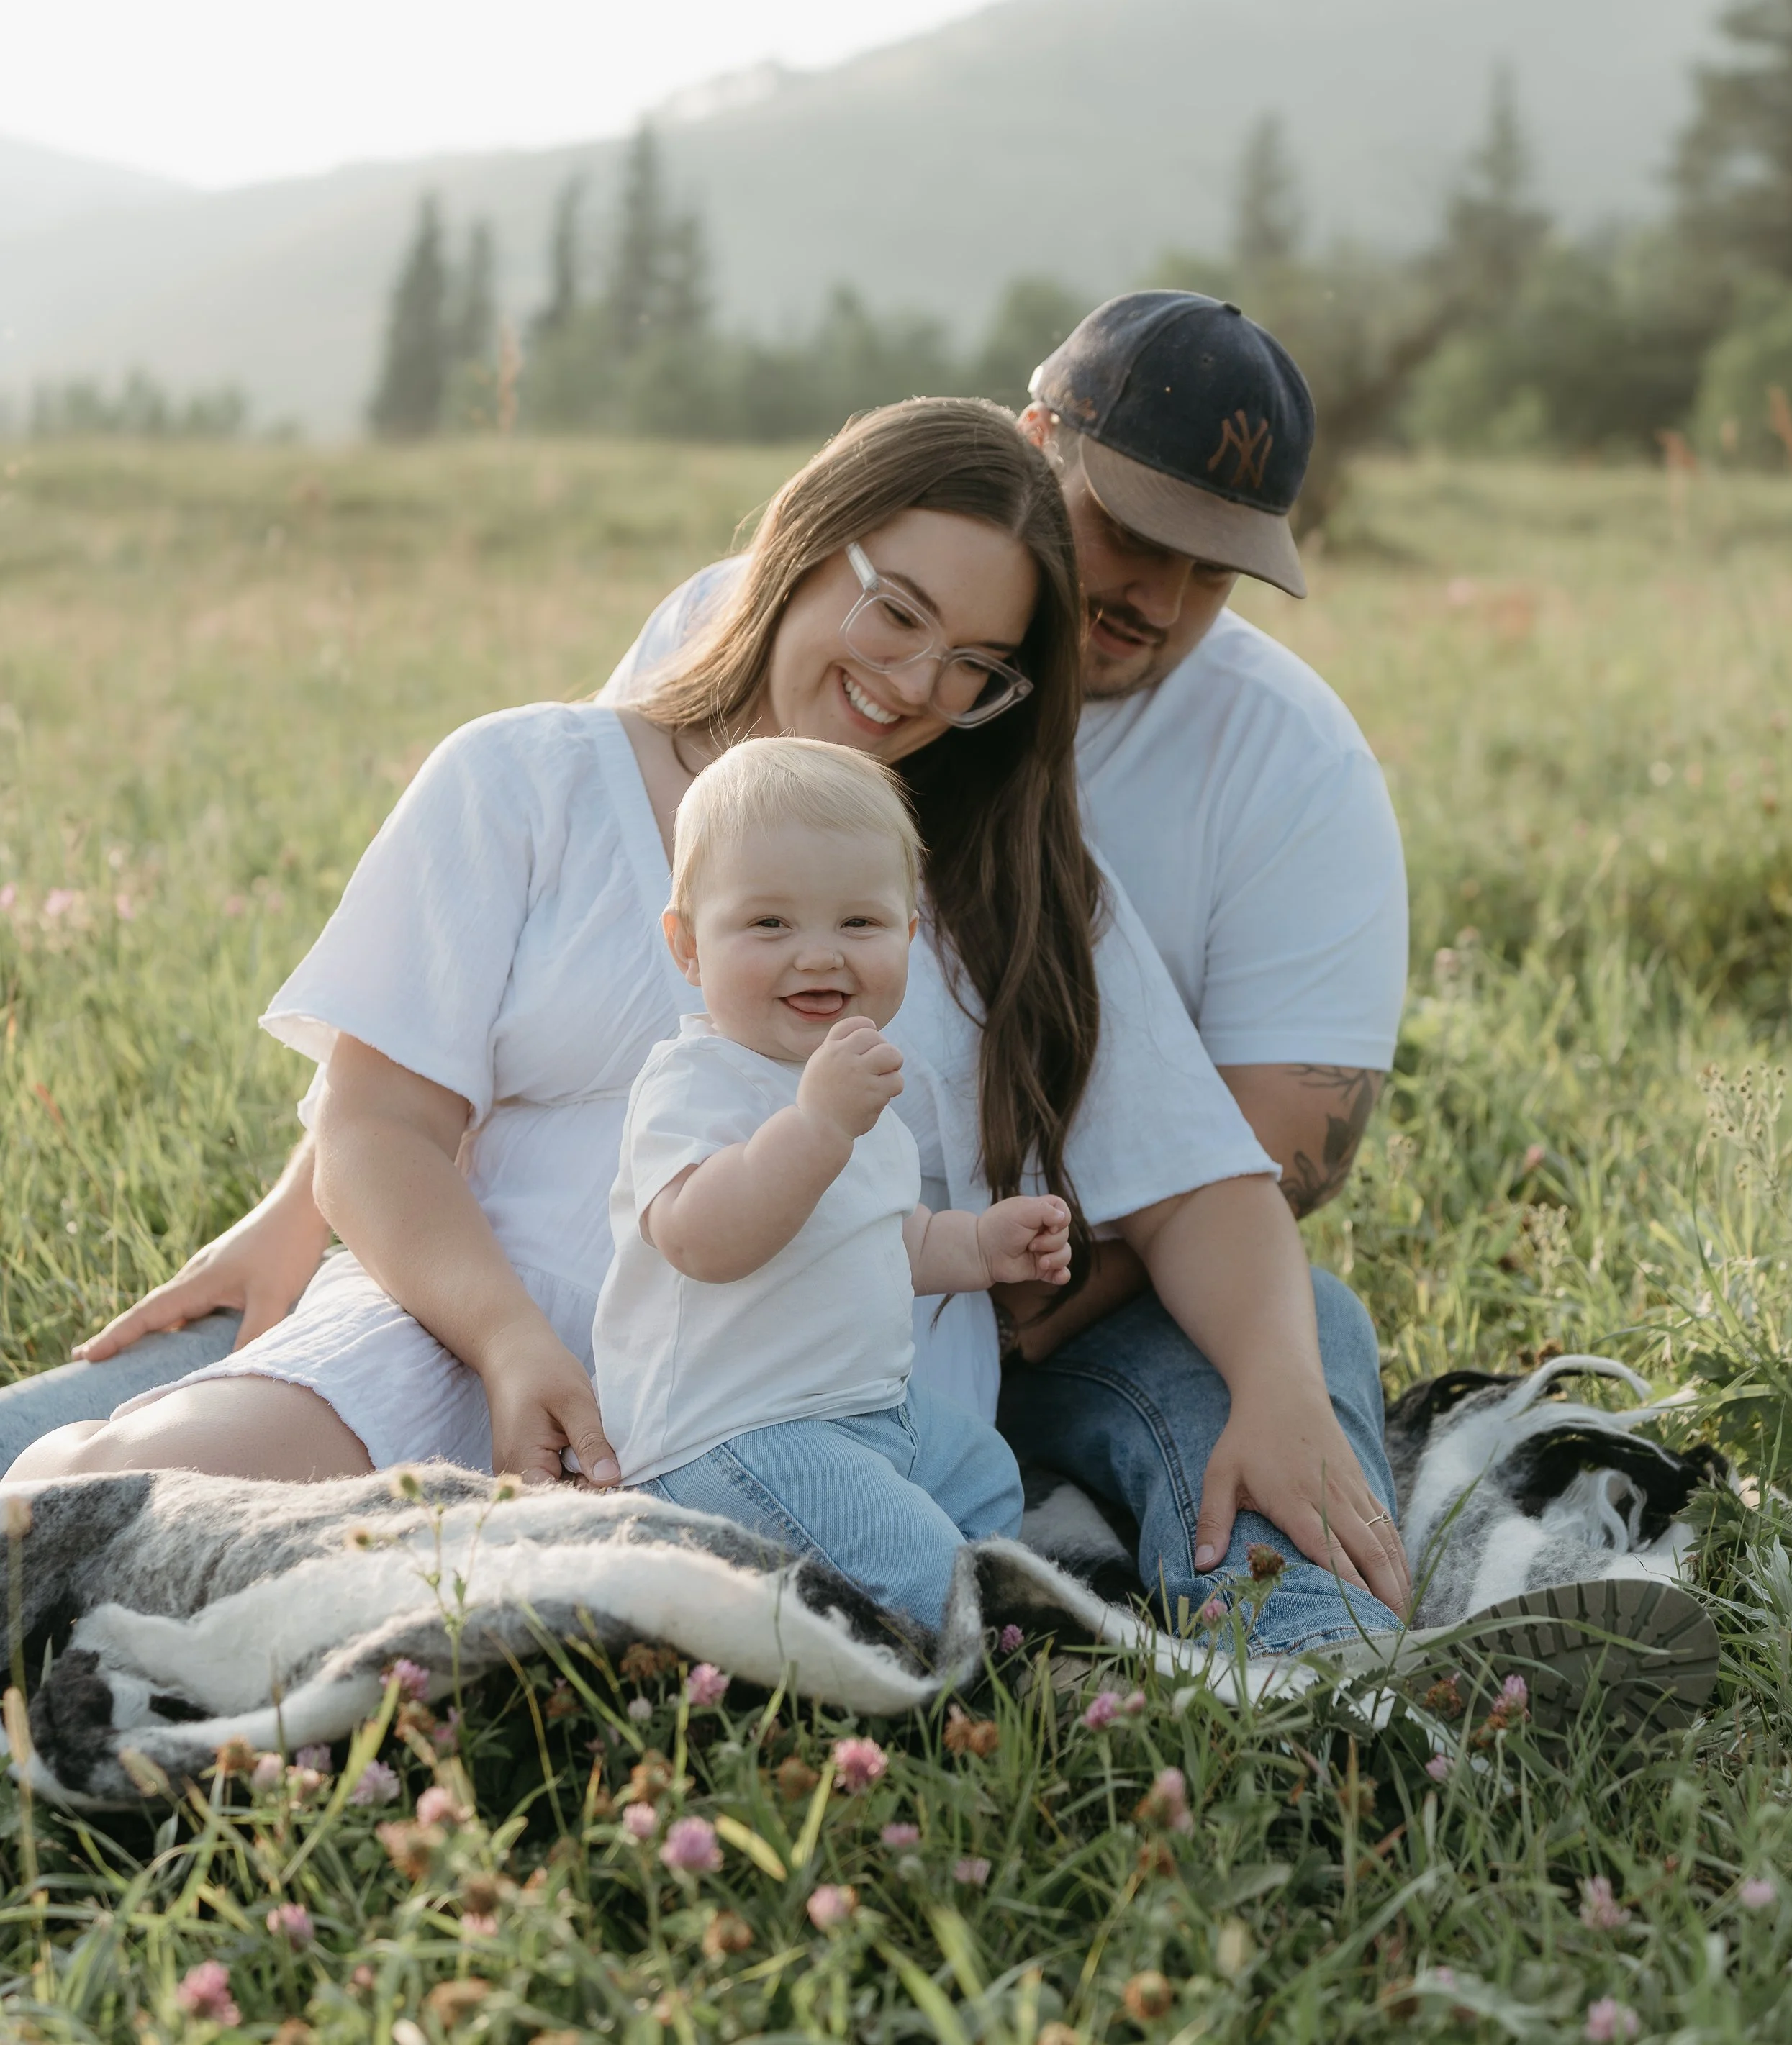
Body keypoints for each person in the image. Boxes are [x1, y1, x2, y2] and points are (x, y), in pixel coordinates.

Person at [4, 397, 1412, 1661]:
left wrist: (1279, 1380)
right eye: (895, 612)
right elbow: (378, 1126)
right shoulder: (530, 779)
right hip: (477, 1335)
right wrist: (504, 1345)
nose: (919, 686)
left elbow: (1204, 1184)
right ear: (802, 549)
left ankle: (1325, 1697)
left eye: (976, 664)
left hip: (793, 1423)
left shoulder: (1008, 891)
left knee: (1262, 1387)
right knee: (108, 1502)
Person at [600, 737, 1070, 1631]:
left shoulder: (852, 1087)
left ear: (906, 936)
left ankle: (883, 1610)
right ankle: (952, 1659)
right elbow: (703, 1237)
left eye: (856, 924)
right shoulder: (697, 1081)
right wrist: (815, 1127)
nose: (818, 955)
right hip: (736, 1435)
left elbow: (882, 1238)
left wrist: (978, 1245)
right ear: (689, 946)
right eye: (770, 924)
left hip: (868, 1412)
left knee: (984, 1473)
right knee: (930, 1574)